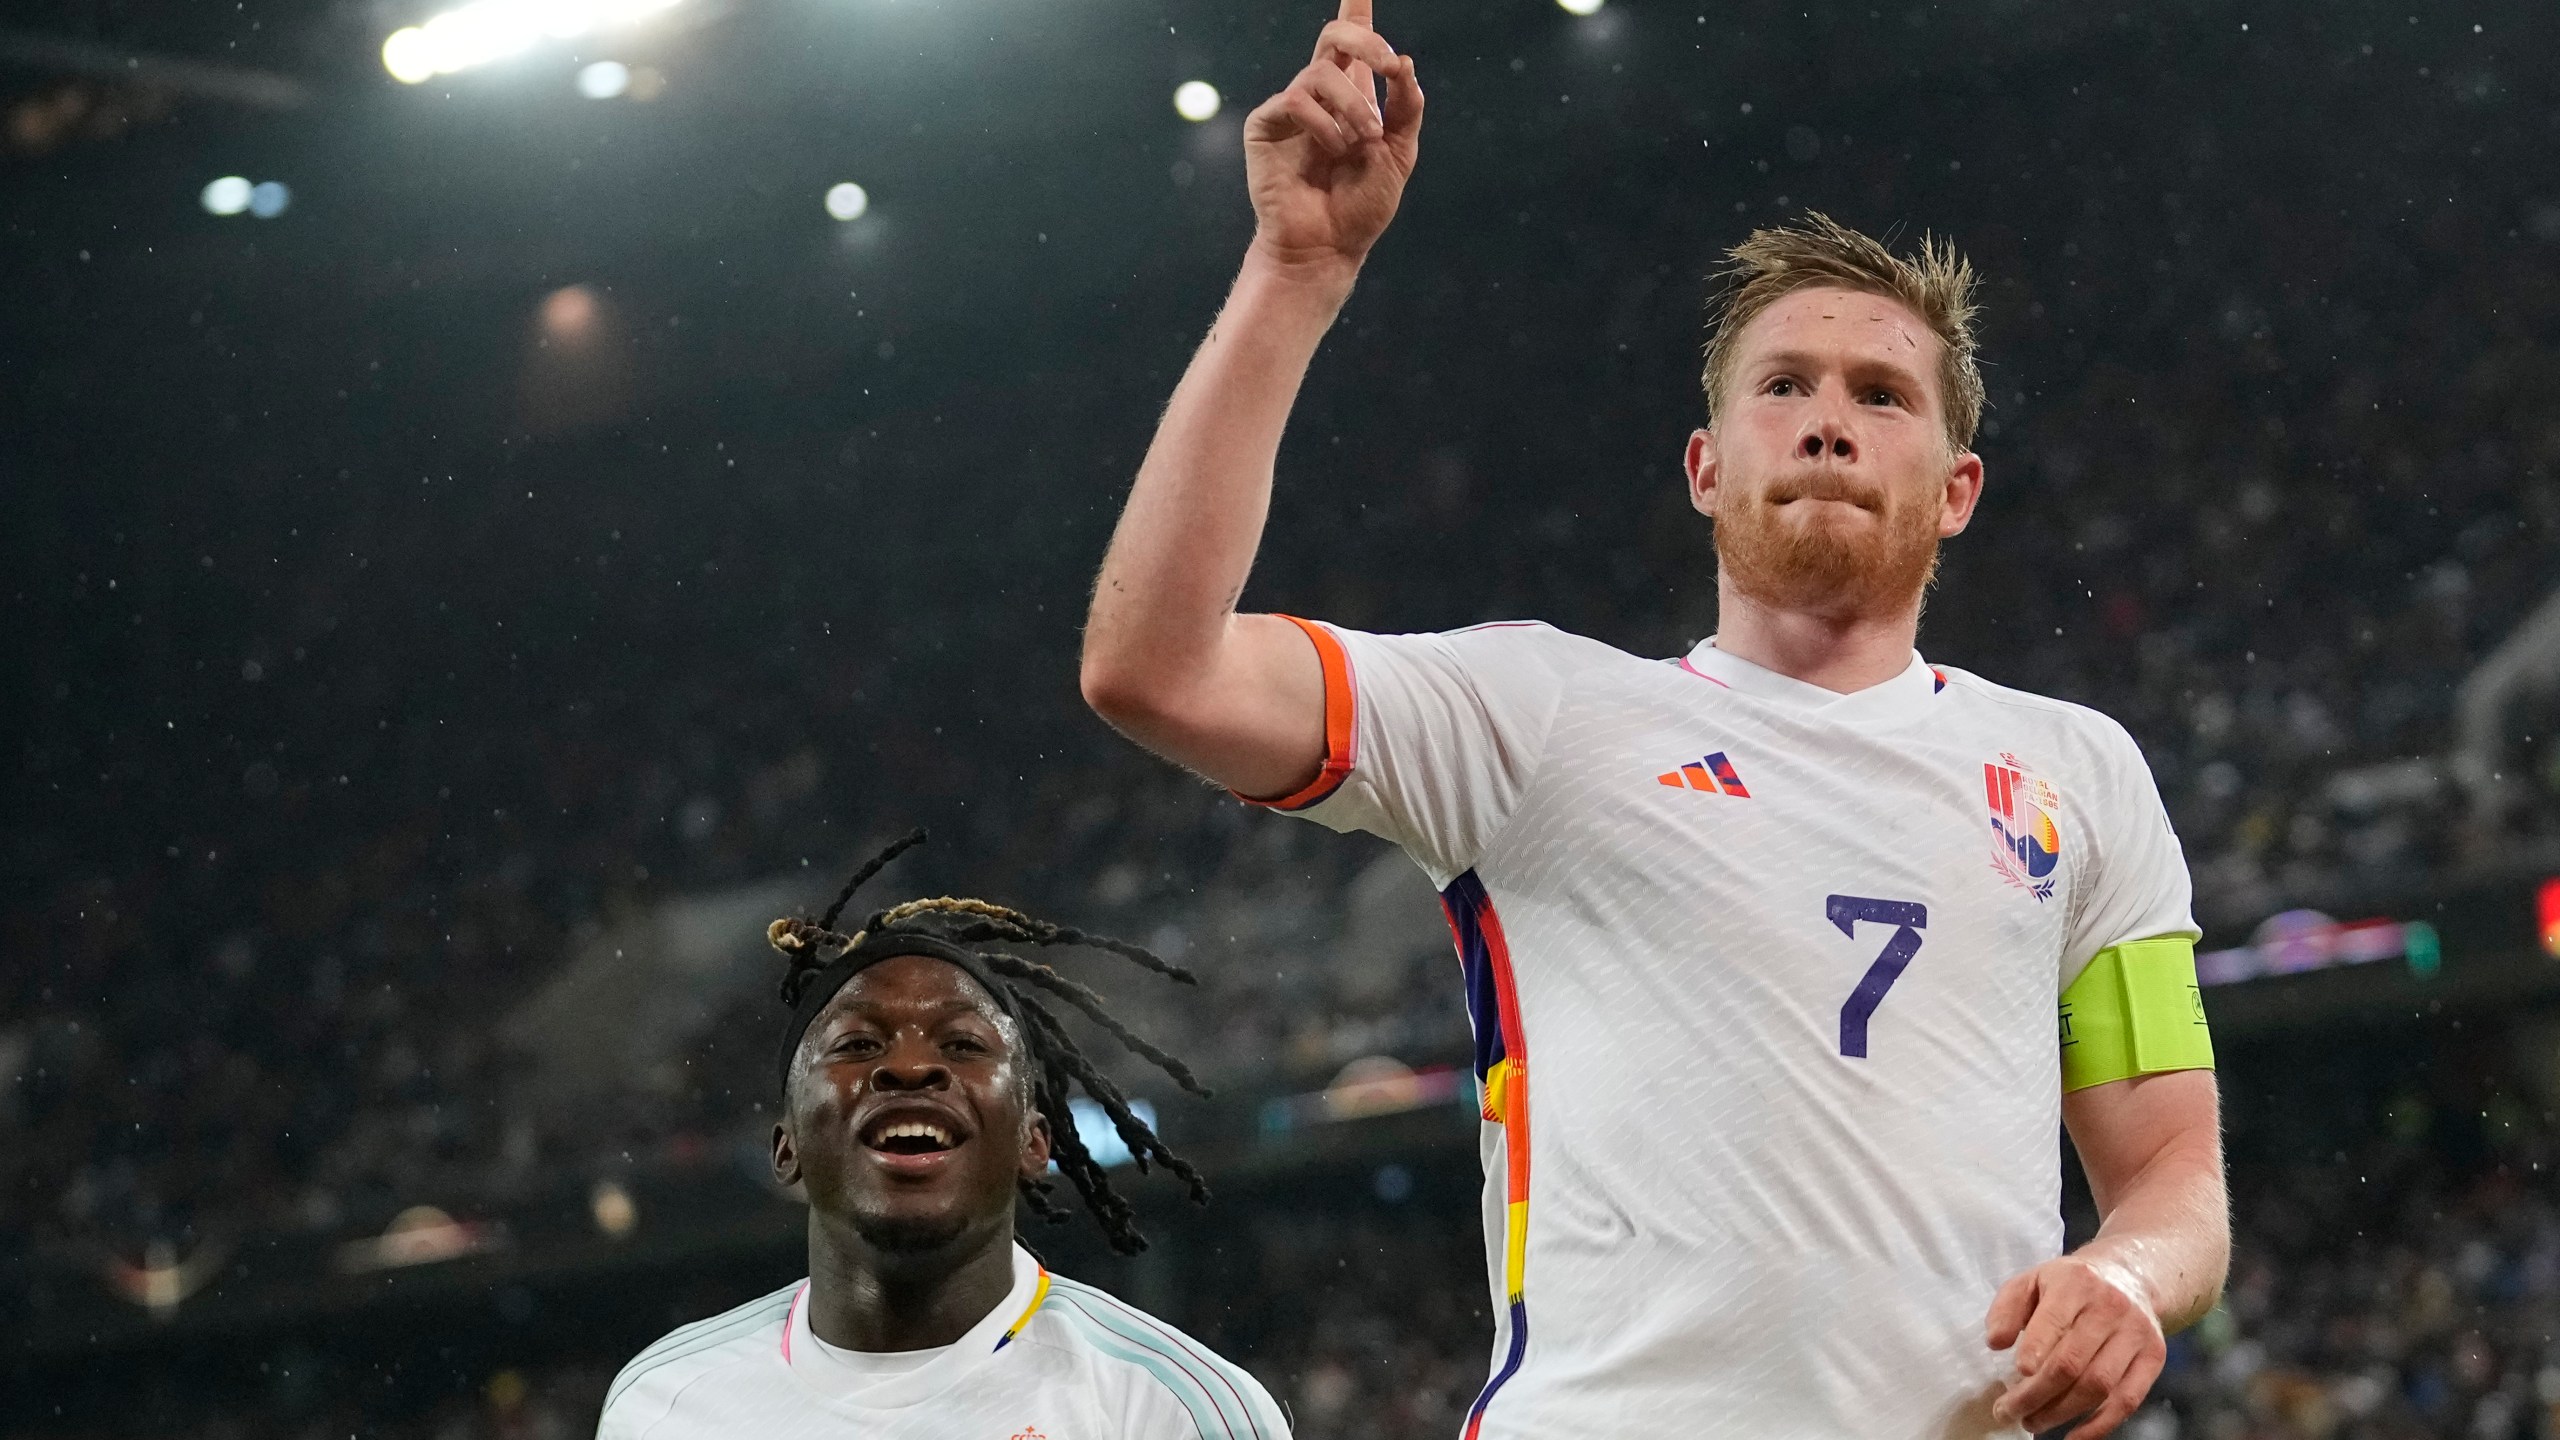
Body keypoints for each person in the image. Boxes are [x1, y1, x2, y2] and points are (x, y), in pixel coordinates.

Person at [1076, 5, 2228, 1437]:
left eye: (1882, 395)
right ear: (1703, 464)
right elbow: (1154, 667)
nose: (1828, 421)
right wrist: (1295, 273)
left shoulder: (2081, 774)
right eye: (1784, 387)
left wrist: (2123, 1276)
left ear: (1956, 489)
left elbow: (2174, 1166)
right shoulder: (1536, 717)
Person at [598, 832, 1288, 1440]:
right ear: (788, 1152)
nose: (909, 1065)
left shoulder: (1175, 1412)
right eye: (858, 1043)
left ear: (1034, 1143)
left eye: (961, 1044)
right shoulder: (662, 1406)